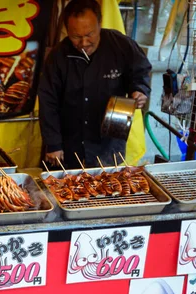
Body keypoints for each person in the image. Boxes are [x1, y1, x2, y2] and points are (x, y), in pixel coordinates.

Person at [38, 0, 152, 169]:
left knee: (109, 190)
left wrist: (139, 90)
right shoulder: (58, 56)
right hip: (69, 146)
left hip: (108, 146)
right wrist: (53, 144)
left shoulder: (121, 45)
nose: (84, 43)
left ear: (100, 24)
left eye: (89, 34)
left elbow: (141, 72)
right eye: (76, 37)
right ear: (67, 30)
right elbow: (48, 101)